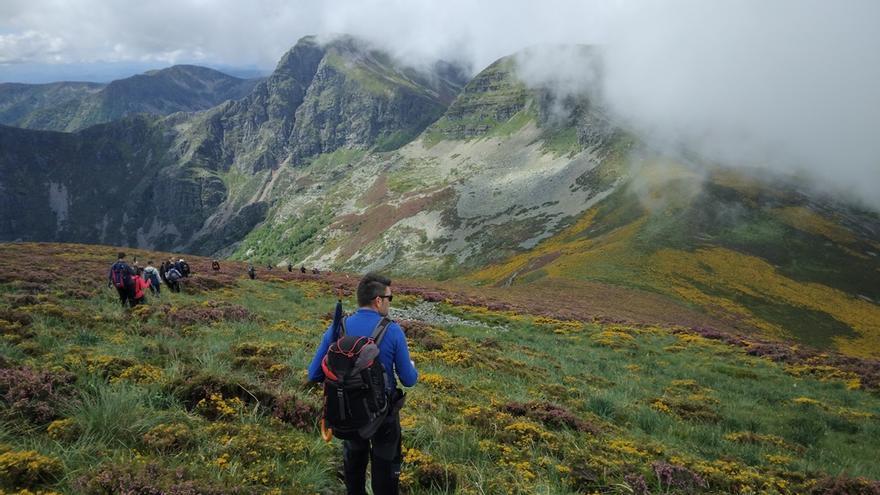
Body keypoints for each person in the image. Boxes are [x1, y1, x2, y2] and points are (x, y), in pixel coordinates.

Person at [308, 273, 417, 495]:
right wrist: (412, 366)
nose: (390, 302)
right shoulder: (393, 330)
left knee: (354, 478)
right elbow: (409, 379)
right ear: (378, 300)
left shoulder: (340, 327)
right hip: (383, 417)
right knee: (385, 479)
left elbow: (314, 374)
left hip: (347, 415)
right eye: (390, 298)